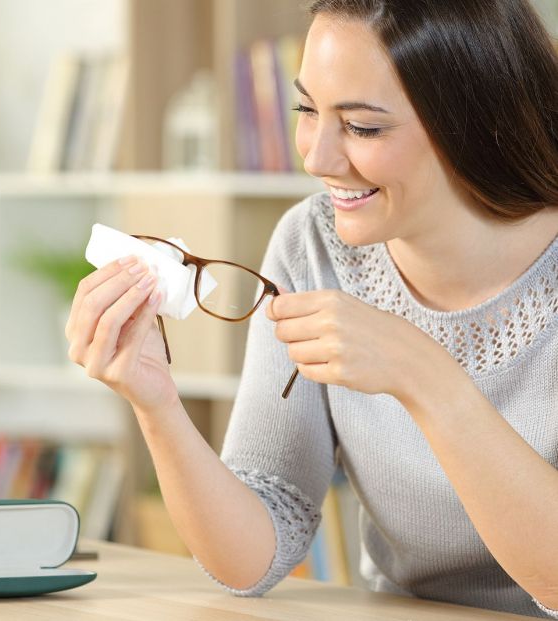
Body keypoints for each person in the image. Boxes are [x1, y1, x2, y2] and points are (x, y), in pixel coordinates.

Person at [65, 0, 558, 617]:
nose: (316, 159)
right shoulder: (312, 244)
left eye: (364, 127)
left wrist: (423, 376)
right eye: (306, 110)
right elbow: (251, 560)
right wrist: (157, 404)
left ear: (475, 118)